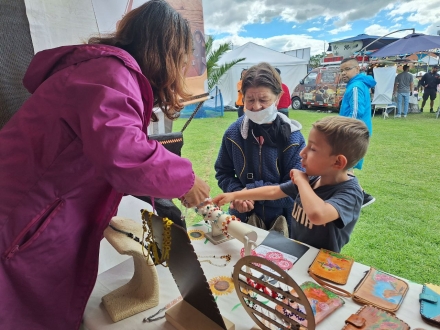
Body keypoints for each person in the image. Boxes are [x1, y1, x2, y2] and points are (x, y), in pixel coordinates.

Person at [0, 1, 210, 329]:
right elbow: (125, 155)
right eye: (184, 60)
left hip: (31, 212)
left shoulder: (104, 72)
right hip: (20, 221)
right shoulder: (110, 74)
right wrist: (186, 180)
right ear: (166, 52)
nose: (183, 69)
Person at [213, 116, 369, 252]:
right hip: (297, 252)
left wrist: (302, 182)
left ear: (338, 162)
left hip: (321, 264)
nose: (302, 152)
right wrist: (234, 194)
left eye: (312, 148)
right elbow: (273, 192)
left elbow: (317, 214)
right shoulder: (312, 180)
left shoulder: (350, 193)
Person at [215, 62, 306, 237]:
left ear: (278, 98)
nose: (256, 106)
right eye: (250, 99)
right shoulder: (233, 133)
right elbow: (222, 172)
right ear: (242, 98)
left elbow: (297, 189)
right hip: (242, 220)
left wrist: (251, 193)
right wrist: (238, 193)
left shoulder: (294, 138)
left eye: (264, 100)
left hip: (284, 222)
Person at [338, 58, 376, 208]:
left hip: (353, 132)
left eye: (347, 69)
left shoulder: (356, 86)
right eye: (341, 70)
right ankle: (358, 195)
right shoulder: (357, 85)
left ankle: (361, 196)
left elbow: (355, 111)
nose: (343, 73)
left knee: (344, 165)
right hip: (356, 131)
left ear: (357, 69)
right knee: (346, 165)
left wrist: (346, 131)